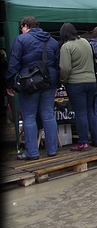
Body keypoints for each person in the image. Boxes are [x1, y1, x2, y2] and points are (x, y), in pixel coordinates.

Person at [5, 16, 59, 160]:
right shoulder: (52, 41)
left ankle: (32, 152)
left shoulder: (21, 40)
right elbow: (57, 64)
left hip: (29, 83)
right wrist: (56, 82)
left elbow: (13, 64)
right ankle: (52, 149)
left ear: (25, 26)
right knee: (48, 114)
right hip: (49, 81)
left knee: (29, 117)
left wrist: (9, 84)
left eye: (21, 28)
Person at [59, 22, 97, 151]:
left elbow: (65, 68)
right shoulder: (86, 42)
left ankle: (83, 142)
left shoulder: (66, 47)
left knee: (80, 113)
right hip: (91, 81)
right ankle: (96, 139)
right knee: (90, 111)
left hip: (75, 83)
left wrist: (62, 80)